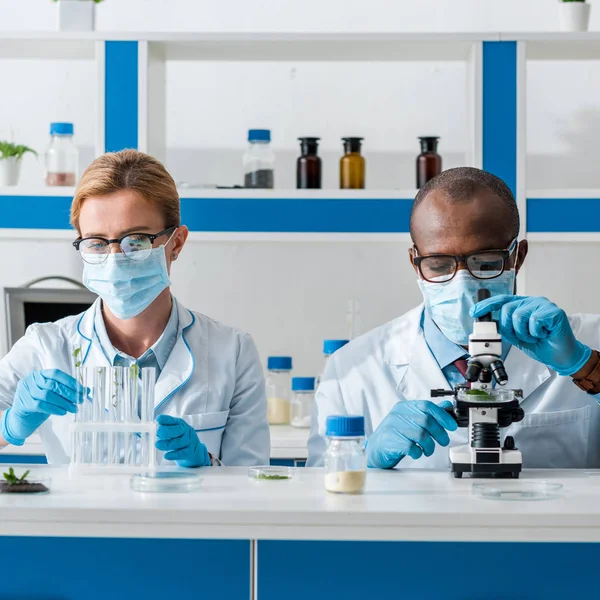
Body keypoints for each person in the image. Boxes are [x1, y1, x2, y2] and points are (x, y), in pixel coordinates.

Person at [307, 167, 600, 469]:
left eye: (485, 261)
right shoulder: (351, 370)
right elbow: (317, 496)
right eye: (438, 264)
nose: (462, 283)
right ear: (415, 262)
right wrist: (365, 460)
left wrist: (586, 367)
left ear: (517, 257)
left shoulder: (588, 342)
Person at [0, 150, 269, 466]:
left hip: (188, 517)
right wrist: (10, 423)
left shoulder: (232, 352)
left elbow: (254, 484)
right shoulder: (45, 346)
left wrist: (206, 463)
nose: (114, 258)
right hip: (82, 517)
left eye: (136, 240)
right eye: (97, 243)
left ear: (176, 243)